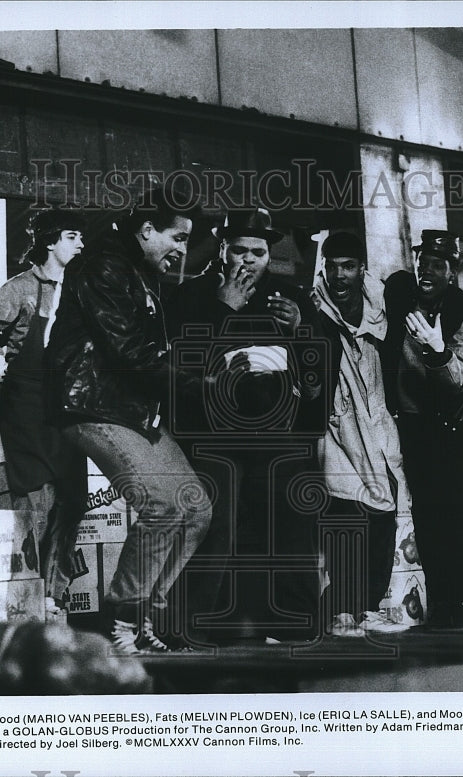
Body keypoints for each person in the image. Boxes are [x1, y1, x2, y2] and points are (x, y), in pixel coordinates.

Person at [44, 187, 214, 654]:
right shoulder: (105, 266)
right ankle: (121, 622)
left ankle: (147, 619)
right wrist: (206, 382)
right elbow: (129, 354)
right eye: (177, 238)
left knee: (195, 508)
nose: (182, 248)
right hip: (90, 405)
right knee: (163, 504)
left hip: (129, 408)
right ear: (146, 231)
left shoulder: (140, 273)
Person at [164, 207, 329, 645]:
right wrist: (223, 310)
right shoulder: (191, 296)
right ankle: (202, 626)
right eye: (240, 250)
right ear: (222, 249)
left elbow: (317, 370)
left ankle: (297, 624)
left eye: (258, 251)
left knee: (291, 529)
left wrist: (300, 331)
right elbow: (178, 369)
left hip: (279, 439)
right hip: (213, 440)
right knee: (218, 528)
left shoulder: (289, 296)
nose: (249, 259)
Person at [0, 208, 88, 609]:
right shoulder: (21, 288)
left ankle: (53, 594)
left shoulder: (84, 290)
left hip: (69, 403)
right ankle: (26, 597)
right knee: (35, 499)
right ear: (50, 241)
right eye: (72, 236)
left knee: (73, 497)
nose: (81, 243)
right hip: (29, 402)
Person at [382, 229, 463, 628]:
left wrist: (435, 346)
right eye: (422, 262)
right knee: (427, 513)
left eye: (437, 265)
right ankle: (442, 601)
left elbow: (460, 378)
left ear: (452, 272)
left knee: (458, 511)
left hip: (454, 429)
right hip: (414, 425)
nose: (426, 271)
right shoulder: (401, 294)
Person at [312, 231, 406, 637]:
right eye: (332, 266)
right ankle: (342, 612)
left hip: (379, 424)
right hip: (336, 428)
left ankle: (368, 606)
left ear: (361, 269)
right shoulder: (314, 310)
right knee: (345, 514)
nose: (339, 275)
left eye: (347, 266)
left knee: (384, 514)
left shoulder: (380, 313)